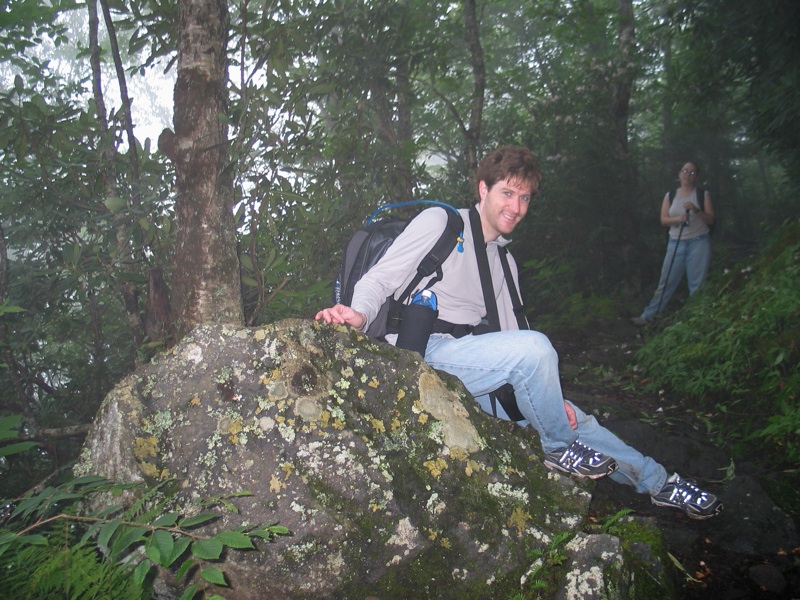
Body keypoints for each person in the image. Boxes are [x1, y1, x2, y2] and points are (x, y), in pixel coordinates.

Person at [316, 146, 722, 520]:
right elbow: (380, 278)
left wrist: (551, 398)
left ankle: (660, 483)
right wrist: (357, 312)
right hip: (416, 350)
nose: (516, 206)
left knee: (574, 418)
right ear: (483, 189)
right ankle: (558, 449)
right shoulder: (442, 222)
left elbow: (517, 345)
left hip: (468, 362)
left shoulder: (504, 263)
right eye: (508, 193)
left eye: (524, 198)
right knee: (541, 366)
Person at [632, 162, 715, 326]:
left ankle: (698, 319)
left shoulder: (702, 195)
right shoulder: (670, 196)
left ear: (696, 177)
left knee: (697, 283)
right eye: (685, 171)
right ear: (679, 174)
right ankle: (648, 316)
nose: (687, 175)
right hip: (675, 242)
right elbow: (663, 220)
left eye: (692, 172)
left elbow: (711, 219)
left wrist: (696, 210)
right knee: (666, 281)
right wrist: (678, 219)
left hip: (699, 242)